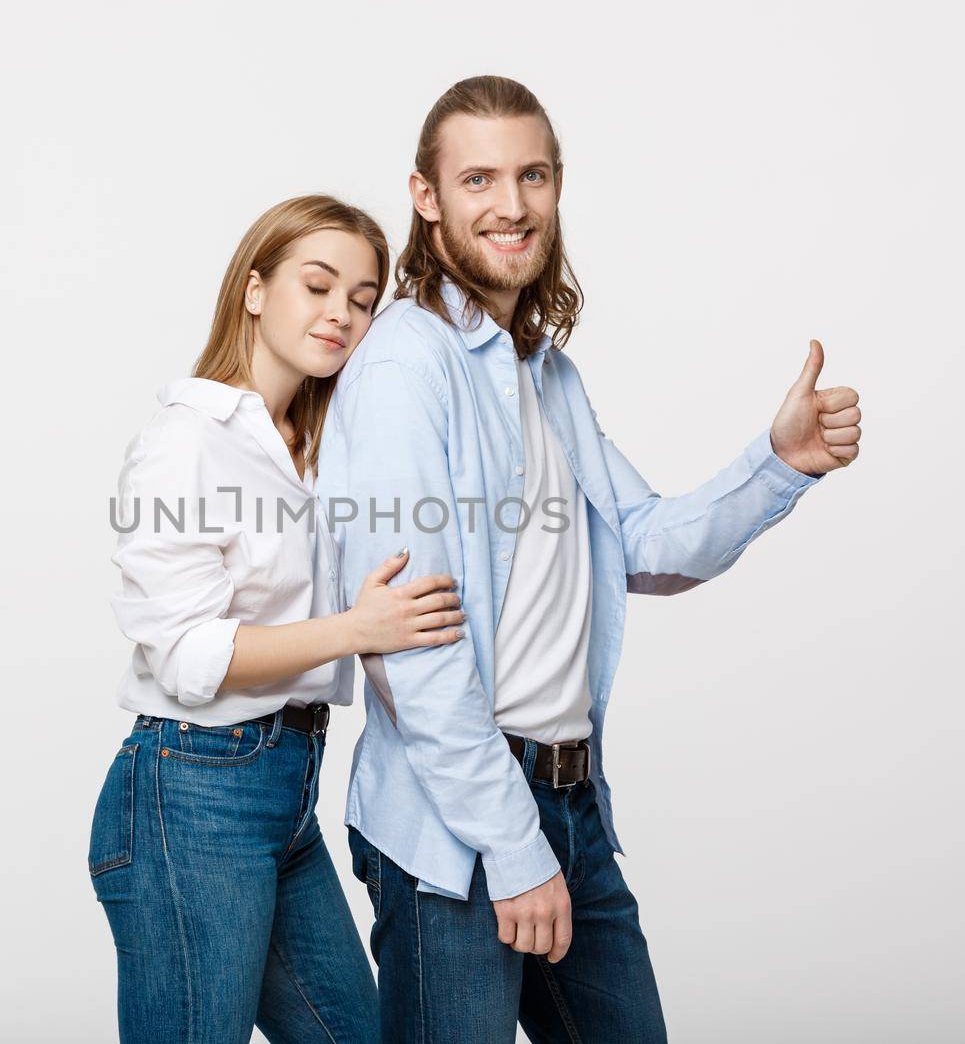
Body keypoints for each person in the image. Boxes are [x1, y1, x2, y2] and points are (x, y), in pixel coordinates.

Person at [317, 76, 863, 1041]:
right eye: (478, 177)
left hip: (571, 800)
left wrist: (778, 463)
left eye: (532, 175)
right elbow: (416, 646)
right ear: (426, 195)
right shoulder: (409, 365)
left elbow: (645, 542)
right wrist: (513, 845)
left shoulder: (542, 371)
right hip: (459, 825)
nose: (512, 203)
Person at [89, 194, 467, 1043]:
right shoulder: (187, 439)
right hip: (191, 789)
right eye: (318, 285)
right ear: (255, 290)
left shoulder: (319, 446)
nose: (342, 313)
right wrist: (359, 628)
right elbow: (189, 653)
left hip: (288, 791)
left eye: (364, 300)